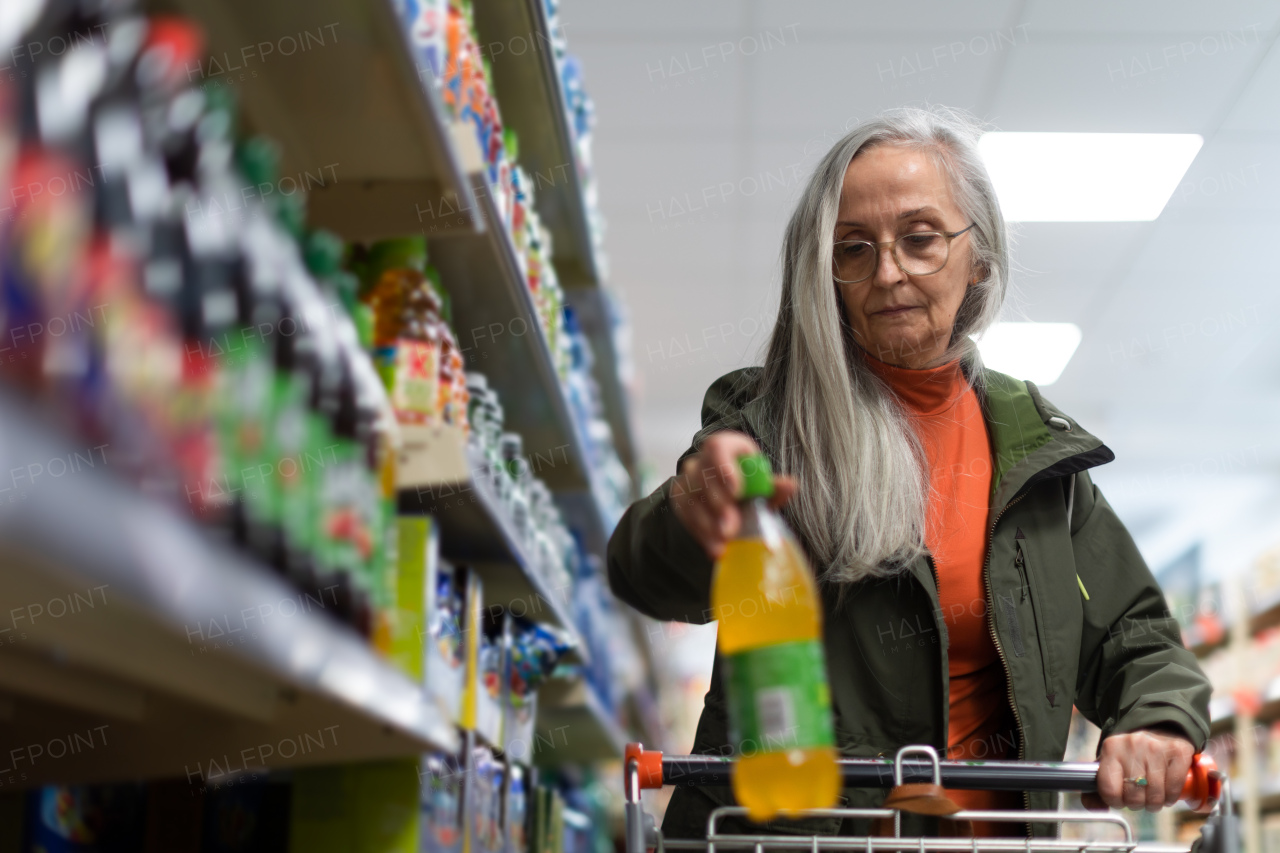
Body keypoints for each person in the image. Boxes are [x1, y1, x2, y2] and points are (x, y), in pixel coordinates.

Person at [607, 105, 1211, 839]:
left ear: (977, 258)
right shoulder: (767, 421)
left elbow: (1135, 636)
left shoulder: (1034, 448)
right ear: (826, 275)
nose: (887, 271)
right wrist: (689, 509)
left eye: (921, 238)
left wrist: (1157, 718)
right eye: (853, 248)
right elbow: (644, 573)